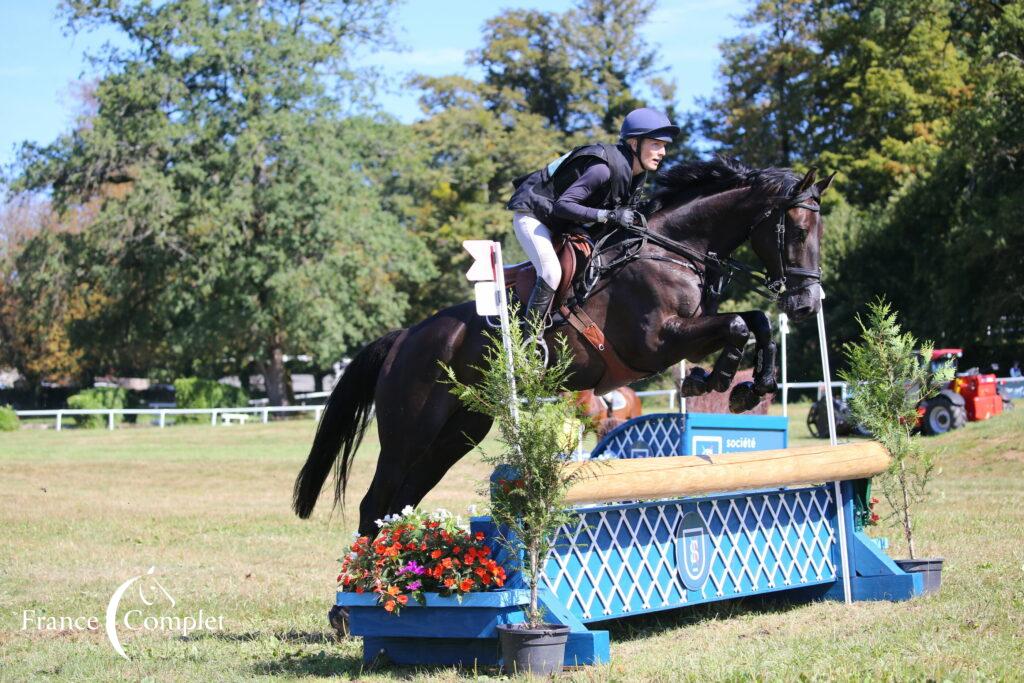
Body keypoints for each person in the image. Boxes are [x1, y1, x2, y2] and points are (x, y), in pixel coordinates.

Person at [506, 107, 679, 326]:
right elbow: (563, 206)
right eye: (656, 144)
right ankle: (528, 338)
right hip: (535, 216)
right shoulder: (603, 168)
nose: (663, 152)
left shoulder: (636, 174)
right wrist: (608, 215)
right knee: (551, 272)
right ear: (635, 143)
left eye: (663, 146)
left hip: (565, 225)